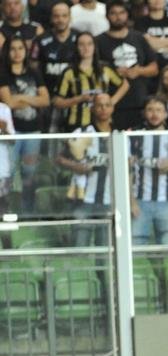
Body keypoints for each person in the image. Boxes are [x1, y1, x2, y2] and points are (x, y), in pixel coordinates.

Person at [56, 91, 112, 247]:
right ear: (92, 109)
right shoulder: (81, 132)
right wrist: (76, 166)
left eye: (107, 105)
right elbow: (59, 158)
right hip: (83, 199)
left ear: (112, 108)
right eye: (99, 105)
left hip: (110, 199)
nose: (103, 109)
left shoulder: (119, 134)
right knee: (80, 247)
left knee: (106, 249)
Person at [130, 96, 168, 246]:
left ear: (166, 114)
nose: (154, 114)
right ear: (144, 113)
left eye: (159, 110)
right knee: (136, 244)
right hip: (140, 200)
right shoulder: (134, 135)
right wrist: (131, 202)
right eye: (150, 110)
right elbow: (127, 170)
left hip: (167, 200)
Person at [0, 36, 48, 213]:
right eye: (13, 48)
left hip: (33, 130)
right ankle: (10, 211)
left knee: (30, 171)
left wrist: (21, 97)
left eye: (20, 48)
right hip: (12, 132)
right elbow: (8, 103)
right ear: (7, 51)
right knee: (10, 172)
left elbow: (45, 100)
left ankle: (29, 211)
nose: (17, 52)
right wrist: (33, 100)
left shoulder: (34, 72)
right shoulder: (2, 74)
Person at [94, 0, 157, 129]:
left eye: (121, 12)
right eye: (113, 13)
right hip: (112, 103)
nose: (118, 17)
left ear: (127, 14)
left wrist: (139, 71)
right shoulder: (99, 41)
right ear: (107, 16)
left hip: (139, 100)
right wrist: (112, 73)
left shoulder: (139, 38)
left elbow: (154, 68)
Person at [55, 31, 125, 130]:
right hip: (77, 125)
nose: (86, 48)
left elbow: (124, 84)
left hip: (102, 124)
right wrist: (78, 99)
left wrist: (111, 102)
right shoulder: (69, 72)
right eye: (81, 44)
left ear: (94, 47)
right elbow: (57, 102)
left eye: (89, 44)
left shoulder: (105, 68)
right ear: (76, 47)